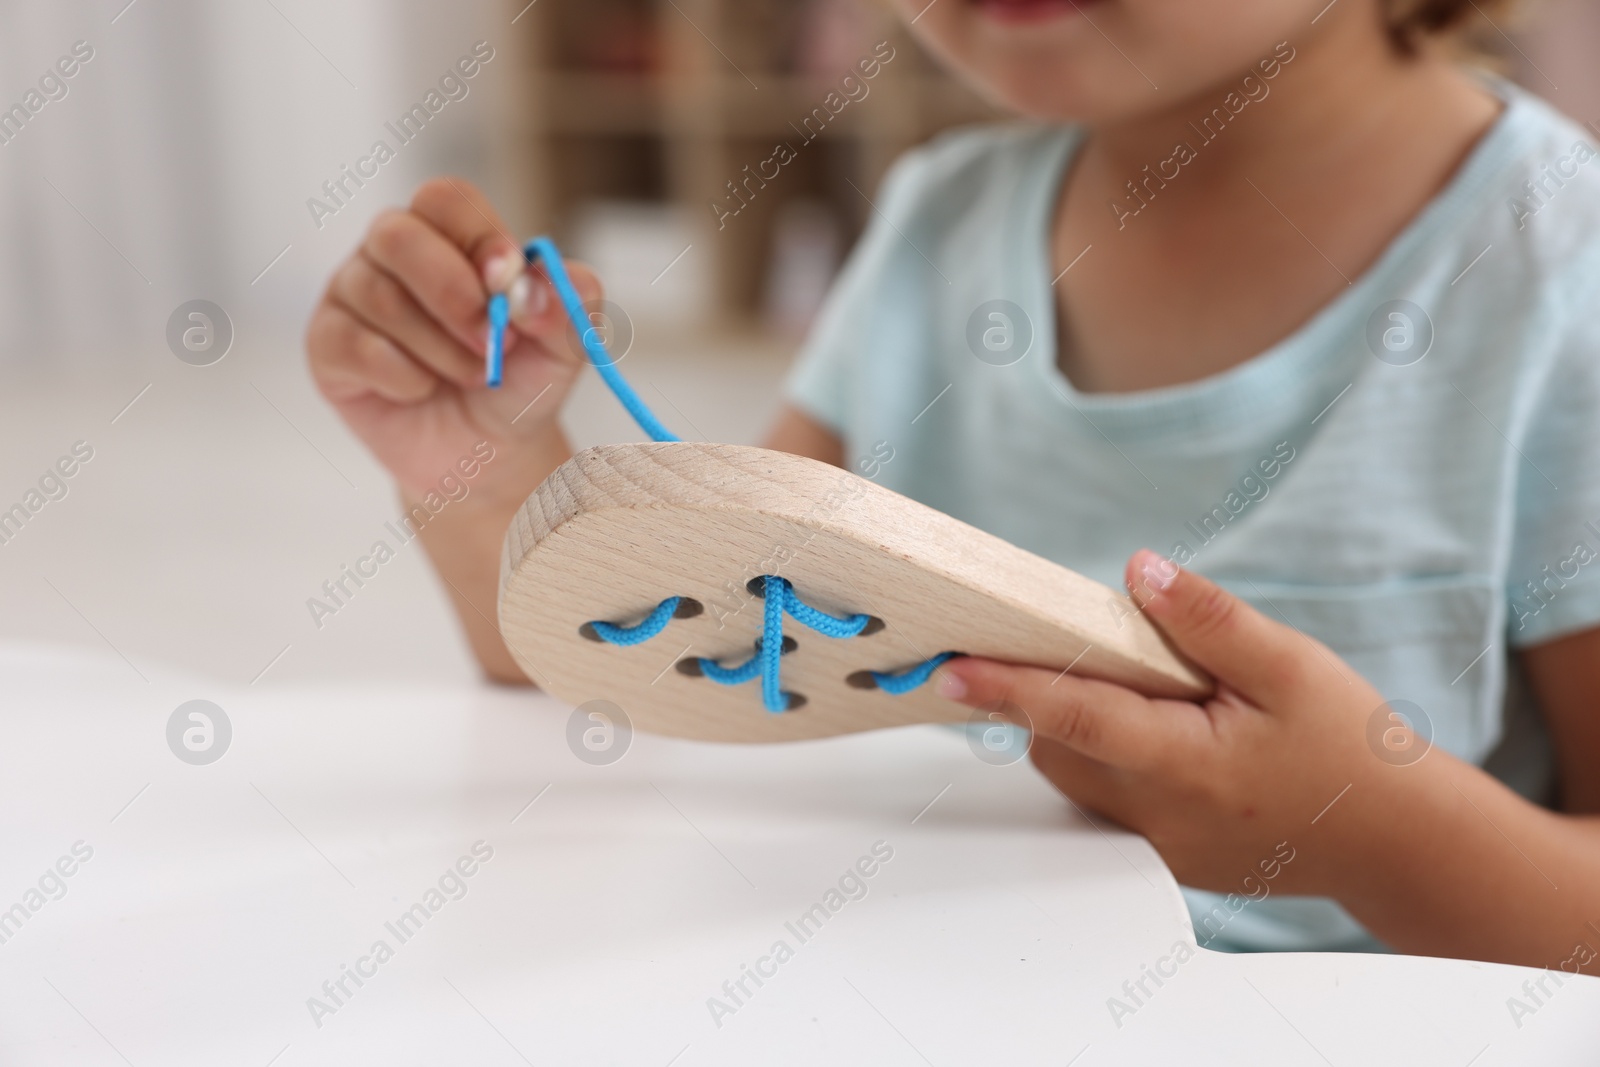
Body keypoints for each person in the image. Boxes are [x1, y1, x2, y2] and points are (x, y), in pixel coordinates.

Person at [306, 0, 1600, 969]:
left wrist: (1361, 829)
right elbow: (675, 665)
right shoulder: (935, 227)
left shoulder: (1560, 271)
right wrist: (484, 466)